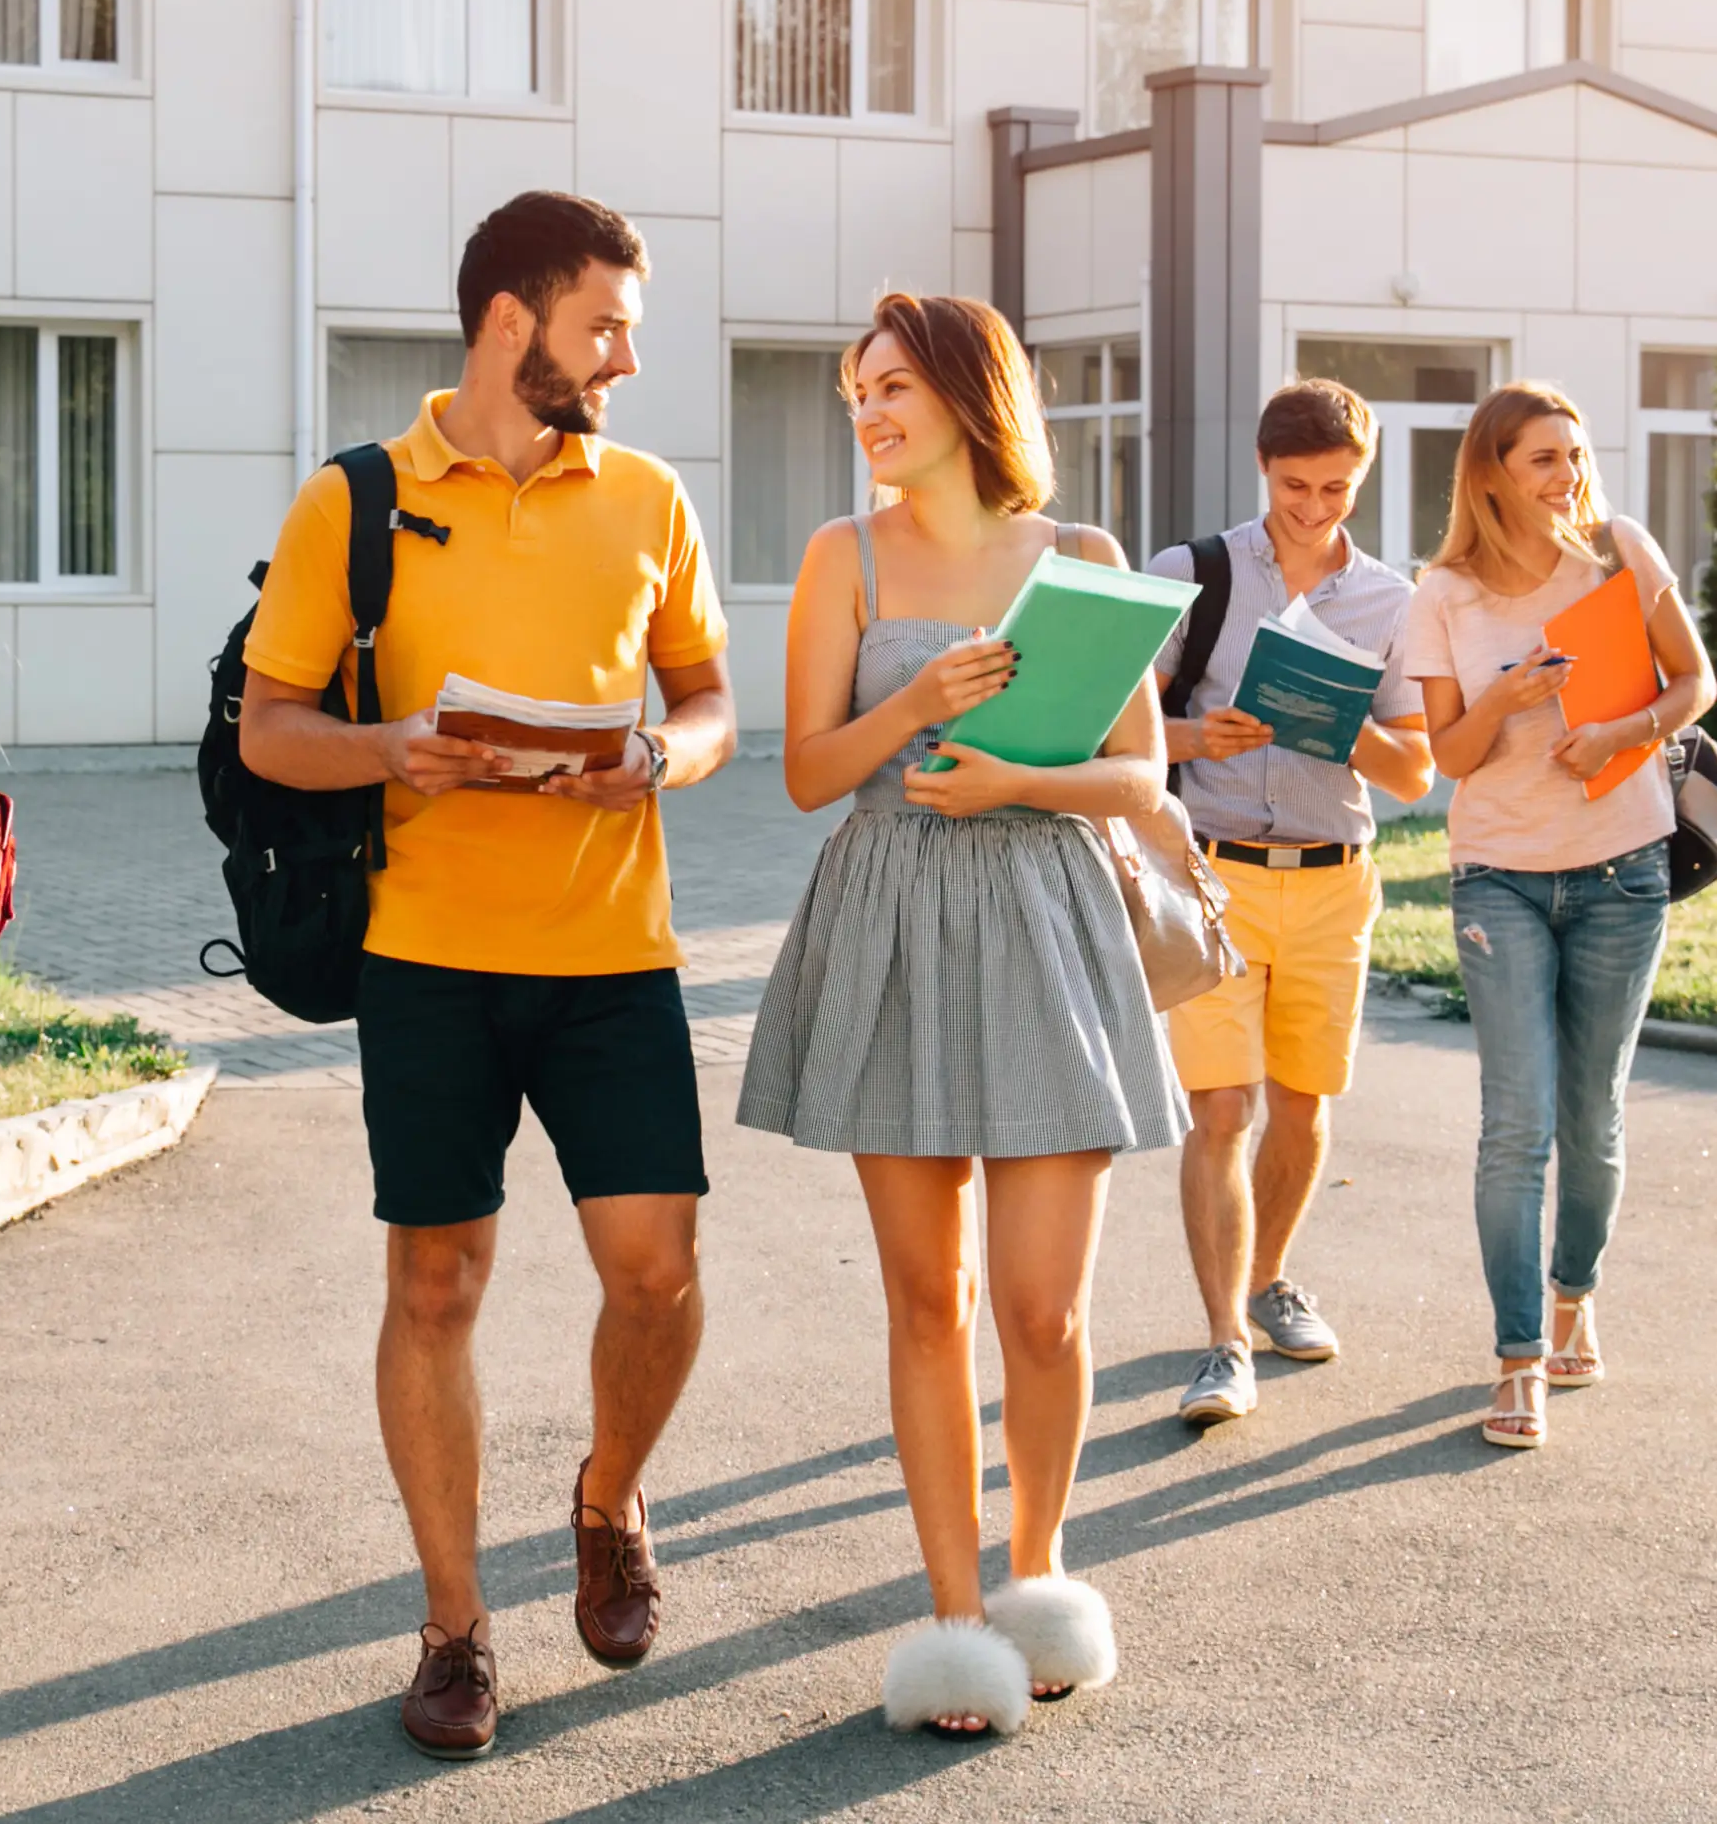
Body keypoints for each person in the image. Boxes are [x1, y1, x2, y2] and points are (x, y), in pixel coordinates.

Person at [236, 191, 739, 1762]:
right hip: (427, 958)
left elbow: (711, 698)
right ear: (512, 319)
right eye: (607, 324)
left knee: (655, 1270)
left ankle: (608, 1497)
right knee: (436, 1282)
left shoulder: (649, 498)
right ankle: (453, 1626)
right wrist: (391, 748)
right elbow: (270, 726)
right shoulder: (357, 500)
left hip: (614, 956)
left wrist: (661, 753)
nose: (626, 356)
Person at [738, 292, 1181, 1740]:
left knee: (1047, 1310)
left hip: (1049, 918)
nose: (867, 413)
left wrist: (1019, 782)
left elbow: (1143, 780)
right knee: (931, 1300)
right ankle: (946, 1612)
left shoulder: (1085, 559)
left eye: (890, 386)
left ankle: (1041, 1578)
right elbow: (808, 771)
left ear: (968, 392)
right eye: (855, 391)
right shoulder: (839, 555)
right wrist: (917, 697)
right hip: (896, 920)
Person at [1399, 380, 1717, 1451]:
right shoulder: (1441, 590)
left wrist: (1623, 729)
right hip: (1499, 876)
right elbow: (1445, 755)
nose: (1568, 475)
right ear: (1491, 469)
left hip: (1623, 868)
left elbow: (1696, 683)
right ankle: (1518, 1355)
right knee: (1515, 1124)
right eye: (1544, 458)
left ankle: (1575, 1290)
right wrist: (1512, 698)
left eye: (1574, 454)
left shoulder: (1619, 554)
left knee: (1592, 1113)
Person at [1146, 380, 1437, 1427]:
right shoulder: (1191, 574)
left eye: (1337, 488)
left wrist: (1341, 722)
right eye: (1294, 485)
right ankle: (1225, 1340)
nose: (1314, 506)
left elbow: (1413, 773)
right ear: (1261, 468)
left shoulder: (1393, 602)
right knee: (1223, 1107)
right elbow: (1107, 722)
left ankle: (1269, 1277)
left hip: (1333, 877)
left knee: (1304, 1103)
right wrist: (1197, 736)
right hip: (1212, 876)